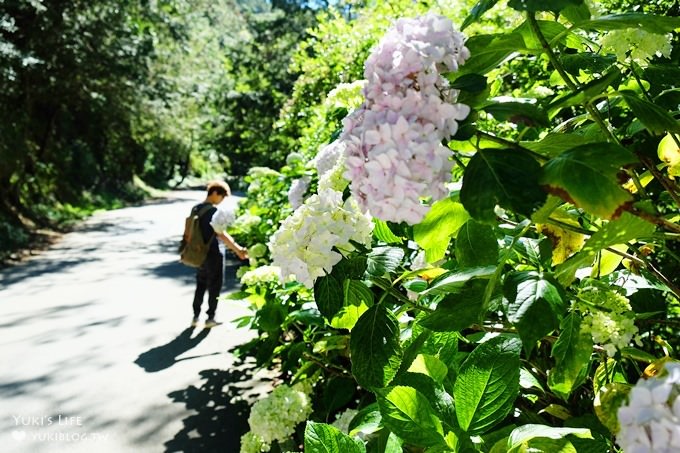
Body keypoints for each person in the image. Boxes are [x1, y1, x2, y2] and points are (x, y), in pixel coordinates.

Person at [191, 180, 247, 328]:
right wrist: (238, 249)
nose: (221, 201)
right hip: (214, 253)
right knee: (215, 285)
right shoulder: (213, 211)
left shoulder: (196, 208)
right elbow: (221, 234)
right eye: (222, 197)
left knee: (200, 284)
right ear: (215, 193)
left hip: (199, 254)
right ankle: (210, 318)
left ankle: (195, 317)